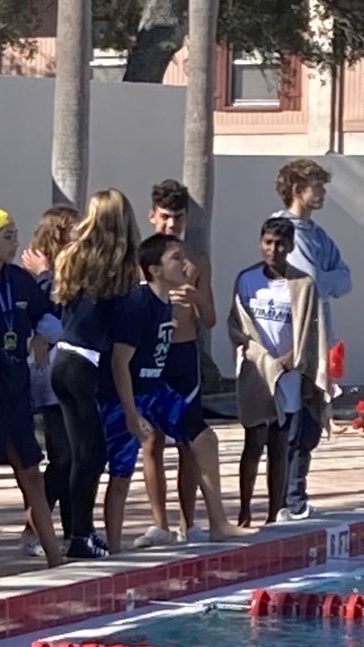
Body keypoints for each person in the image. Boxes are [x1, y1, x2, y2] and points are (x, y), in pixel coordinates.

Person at [104, 233, 254, 548]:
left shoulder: (167, 302)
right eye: (176, 258)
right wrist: (131, 413)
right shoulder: (138, 304)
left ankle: (218, 523)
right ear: (154, 269)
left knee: (204, 439)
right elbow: (119, 364)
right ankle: (114, 549)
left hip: (155, 389)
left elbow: (206, 320)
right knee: (120, 475)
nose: (186, 264)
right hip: (125, 394)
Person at [0, 205, 64, 576]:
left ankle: (54, 555)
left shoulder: (19, 280)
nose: (16, 241)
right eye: (7, 235)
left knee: (31, 472)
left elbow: (48, 314)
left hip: (17, 388)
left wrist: (41, 334)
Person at [50, 189, 144, 559]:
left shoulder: (74, 258)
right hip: (85, 364)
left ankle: (78, 532)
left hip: (64, 359)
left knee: (81, 454)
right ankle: (79, 534)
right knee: (90, 455)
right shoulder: (120, 270)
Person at [228, 218, 331, 525]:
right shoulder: (246, 280)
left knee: (280, 443)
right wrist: (260, 358)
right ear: (260, 242)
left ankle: (275, 512)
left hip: (288, 375)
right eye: (268, 242)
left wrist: (290, 361)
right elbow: (237, 325)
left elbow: (309, 334)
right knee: (253, 441)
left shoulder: (302, 285)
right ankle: (245, 512)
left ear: (290, 247)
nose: (273, 249)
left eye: (280, 244)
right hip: (256, 372)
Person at [139, 180, 216, 546]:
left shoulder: (197, 261)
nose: (171, 225)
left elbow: (211, 318)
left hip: (183, 353)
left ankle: (191, 521)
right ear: (152, 215)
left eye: (178, 218)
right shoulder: (142, 261)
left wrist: (197, 297)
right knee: (151, 439)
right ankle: (160, 523)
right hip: (151, 356)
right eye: (165, 217)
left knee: (189, 440)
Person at [19, 204, 79, 557]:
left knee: (74, 454)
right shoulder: (39, 272)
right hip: (48, 374)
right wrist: (45, 276)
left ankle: (74, 530)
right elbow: (44, 309)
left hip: (72, 369)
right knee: (63, 455)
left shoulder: (73, 267)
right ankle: (33, 525)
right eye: (73, 228)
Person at [271, 159, 351, 352]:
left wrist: (321, 280)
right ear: (298, 190)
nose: (323, 192)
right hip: (293, 336)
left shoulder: (318, 234)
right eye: (317, 186)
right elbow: (308, 284)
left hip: (320, 334)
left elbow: (345, 282)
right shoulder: (283, 229)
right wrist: (322, 279)